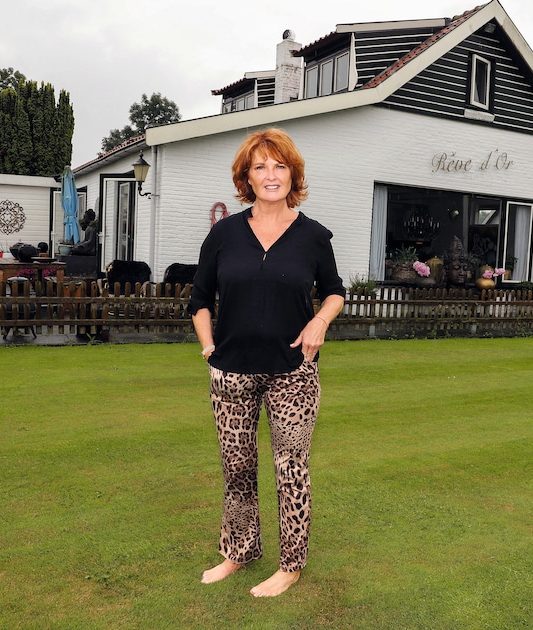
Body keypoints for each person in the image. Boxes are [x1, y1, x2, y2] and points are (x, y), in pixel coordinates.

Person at [189, 128, 346, 597]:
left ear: (293, 174)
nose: (271, 175)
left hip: (293, 373)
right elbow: (199, 299)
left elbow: (335, 291)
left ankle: (290, 566)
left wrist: (320, 320)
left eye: (280, 166)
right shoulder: (223, 234)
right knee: (236, 470)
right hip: (231, 373)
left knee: (290, 468)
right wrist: (209, 349)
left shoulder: (313, 236)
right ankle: (239, 552)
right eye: (261, 167)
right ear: (247, 177)